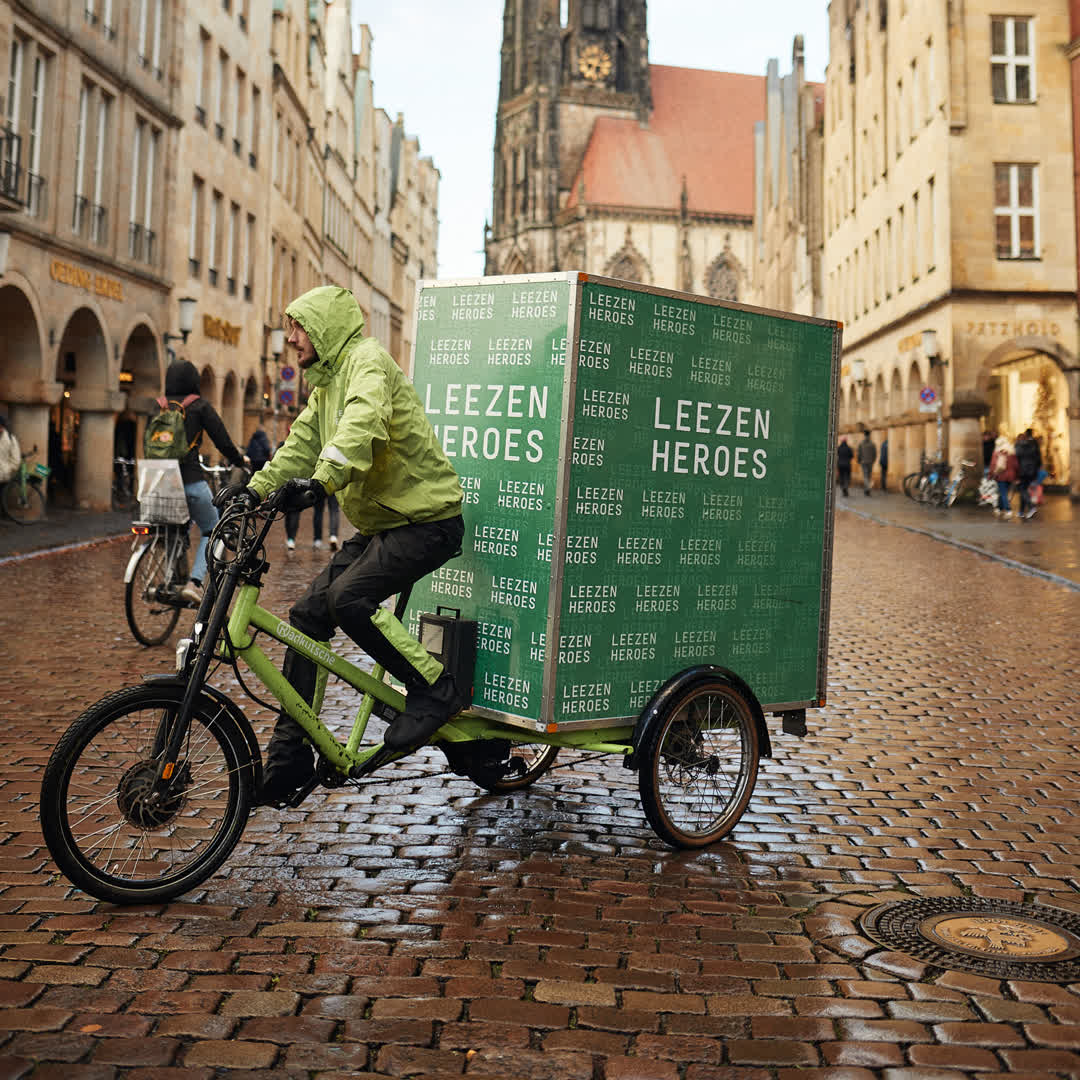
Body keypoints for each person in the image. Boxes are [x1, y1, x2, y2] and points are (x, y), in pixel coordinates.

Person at [221, 285, 465, 806]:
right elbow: (299, 447)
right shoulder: (326, 385)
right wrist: (254, 491)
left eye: (298, 327)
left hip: (429, 521)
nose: (290, 339)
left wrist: (322, 481)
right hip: (387, 525)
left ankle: (435, 691)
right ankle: (292, 755)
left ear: (325, 326)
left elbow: (362, 423)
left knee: (348, 599)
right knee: (308, 614)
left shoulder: (367, 363)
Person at [159, 360, 249, 604]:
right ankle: (195, 582)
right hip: (189, 480)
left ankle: (168, 577)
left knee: (173, 527)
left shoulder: (159, 407)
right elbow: (221, 439)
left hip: (159, 483)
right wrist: (240, 460)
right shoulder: (198, 406)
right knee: (214, 529)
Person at [1014, 428, 1042, 520]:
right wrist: (1036, 470)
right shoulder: (1034, 445)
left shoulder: (1018, 446)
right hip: (1032, 470)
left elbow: (1016, 459)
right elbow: (1038, 459)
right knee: (1024, 488)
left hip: (1022, 470)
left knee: (1022, 489)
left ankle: (1031, 507)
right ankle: (1021, 511)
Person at [989, 434, 1017, 518]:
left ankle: (1008, 510)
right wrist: (1016, 476)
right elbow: (1016, 465)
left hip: (1001, 476)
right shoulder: (1011, 453)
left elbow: (993, 465)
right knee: (1003, 492)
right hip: (1010, 476)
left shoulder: (997, 453)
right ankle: (999, 508)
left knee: (1003, 493)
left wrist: (990, 474)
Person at [0, 413, 21, 484]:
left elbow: (16, 461)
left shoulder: (11, 439)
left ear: (2, 427)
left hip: (3, 475)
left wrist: (6, 469)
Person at [857, 430, 877, 496]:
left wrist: (859, 460)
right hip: (870, 462)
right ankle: (867, 489)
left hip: (863, 462)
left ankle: (867, 488)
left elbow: (859, 453)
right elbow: (875, 453)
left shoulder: (861, 443)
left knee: (865, 476)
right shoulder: (872, 444)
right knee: (869, 476)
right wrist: (873, 460)